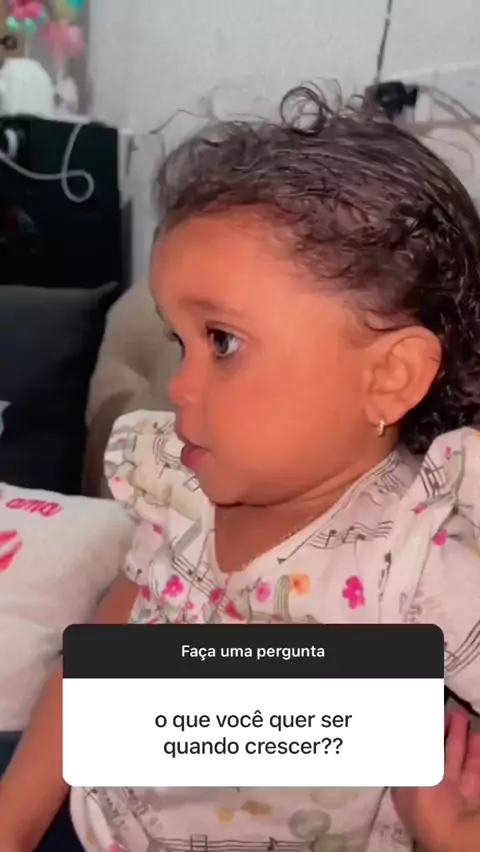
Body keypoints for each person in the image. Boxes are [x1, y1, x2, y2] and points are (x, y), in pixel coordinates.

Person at [1, 85, 480, 852]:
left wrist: (453, 835)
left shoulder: (420, 559)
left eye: (222, 341)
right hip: (95, 816)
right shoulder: (182, 486)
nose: (179, 386)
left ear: (388, 377)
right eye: (179, 343)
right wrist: (15, 817)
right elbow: (108, 650)